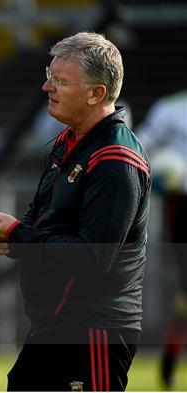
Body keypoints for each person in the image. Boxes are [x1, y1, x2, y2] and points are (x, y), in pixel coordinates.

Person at [0, 32, 150, 391]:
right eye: (49, 75)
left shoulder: (115, 160)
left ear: (96, 94)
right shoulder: (66, 142)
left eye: (60, 81)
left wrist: (18, 235)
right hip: (55, 325)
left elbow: (93, 257)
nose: (46, 87)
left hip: (93, 332)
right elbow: (41, 217)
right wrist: (10, 237)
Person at [134, 90, 187, 389]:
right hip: (182, 205)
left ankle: (168, 362)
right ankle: (168, 363)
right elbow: (140, 148)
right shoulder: (170, 109)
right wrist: (161, 176)